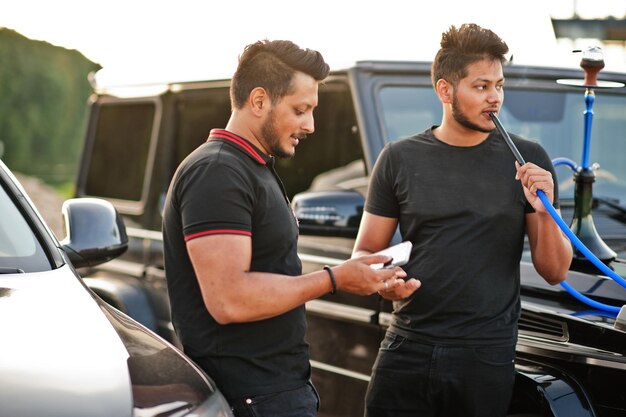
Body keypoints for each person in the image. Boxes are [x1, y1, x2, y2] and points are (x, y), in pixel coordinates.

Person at [161, 39, 407, 417]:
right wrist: (334, 279)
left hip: (275, 390)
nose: (310, 125)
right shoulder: (217, 172)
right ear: (259, 101)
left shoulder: (254, 167)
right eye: (301, 109)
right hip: (249, 396)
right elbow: (230, 299)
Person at [352, 23, 573, 417]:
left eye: (499, 86)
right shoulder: (398, 158)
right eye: (481, 86)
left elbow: (555, 271)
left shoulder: (528, 159)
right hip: (407, 344)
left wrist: (545, 212)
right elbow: (366, 251)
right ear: (445, 90)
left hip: (484, 355)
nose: (495, 99)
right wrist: (386, 285)